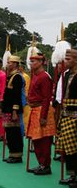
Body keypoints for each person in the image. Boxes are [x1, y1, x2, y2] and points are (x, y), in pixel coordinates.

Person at [25, 52, 56, 175]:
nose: (31, 63)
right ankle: (41, 164)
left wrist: (43, 116)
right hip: (34, 110)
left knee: (43, 141)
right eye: (31, 61)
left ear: (41, 62)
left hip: (42, 110)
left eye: (34, 61)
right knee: (36, 140)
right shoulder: (35, 75)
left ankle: (46, 165)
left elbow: (46, 98)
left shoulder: (44, 77)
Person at [56, 49, 77, 187]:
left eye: (68, 59)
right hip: (65, 115)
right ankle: (72, 175)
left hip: (75, 115)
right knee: (69, 149)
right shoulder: (66, 74)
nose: (65, 62)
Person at [2, 55, 24, 163]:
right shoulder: (9, 76)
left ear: (15, 64)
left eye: (10, 63)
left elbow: (16, 95)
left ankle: (17, 155)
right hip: (7, 109)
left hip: (13, 110)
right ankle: (12, 153)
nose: (8, 64)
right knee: (9, 132)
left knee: (14, 132)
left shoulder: (17, 77)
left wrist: (15, 111)